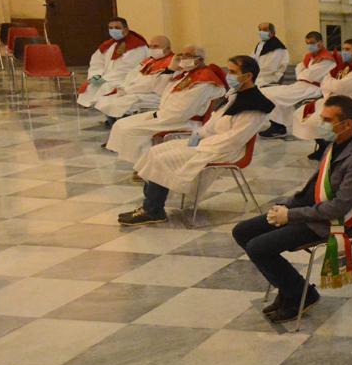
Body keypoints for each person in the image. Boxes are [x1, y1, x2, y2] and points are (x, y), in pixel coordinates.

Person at [231, 95, 352, 320]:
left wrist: (291, 215)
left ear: (347, 124)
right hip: (310, 211)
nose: (321, 124)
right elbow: (315, 187)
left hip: (328, 223)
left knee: (258, 247)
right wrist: (287, 205)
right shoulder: (335, 143)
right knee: (242, 231)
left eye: (327, 120)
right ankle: (293, 288)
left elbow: (337, 208)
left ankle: (299, 293)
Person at [118, 56, 274, 226]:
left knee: (162, 159)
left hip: (224, 150)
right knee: (154, 151)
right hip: (208, 142)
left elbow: (235, 139)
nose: (228, 75)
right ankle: (149, 206)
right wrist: (199, 134)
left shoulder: (256, 105)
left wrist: (202, 144)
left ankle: (153, 210)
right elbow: (214, 122)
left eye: (233, 72)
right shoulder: (235, 95)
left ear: (248, 76)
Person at [105, 46, 226, 162]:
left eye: (188, 56)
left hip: (184, 121)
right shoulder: (187, 75)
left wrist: (158, 116)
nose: (183, 59)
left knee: (131, 130)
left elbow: (183, 111)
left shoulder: (204, 81)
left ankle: (143, 164)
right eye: (181, 55)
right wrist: (170, 70)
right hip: (167, 115)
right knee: (121, 123)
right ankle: (143, 163)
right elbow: (160, 90)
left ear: (200, 59)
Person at [292, 39, 352, 160]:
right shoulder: (344, 66)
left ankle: (332, 149)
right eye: (343, 49)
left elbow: (341, 87)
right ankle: (323, 146)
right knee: (300, 113)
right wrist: (332, 86)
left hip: (351, 106)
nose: (343, 52)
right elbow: (325, 81)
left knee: (316, 121)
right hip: (335, 100)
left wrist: (332, 85)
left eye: (347, 49)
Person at [260, 32, 336, 138]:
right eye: (307, 43)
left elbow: (309, 75)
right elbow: (299, 70)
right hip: (302, 85)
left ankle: (279, 126)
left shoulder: (327, 59)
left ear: (320, 43)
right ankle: (278, 124)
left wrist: (303, 72)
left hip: (313, 88)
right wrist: (303, 72)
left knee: (276, 96)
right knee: (268, 92)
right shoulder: (311, 56)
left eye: (312, 43)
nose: (309, 45)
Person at [93, 35, 176, 121]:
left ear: (167, 49)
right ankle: (115, 122)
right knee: (107, 98)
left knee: (122, 103)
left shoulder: (171, 63)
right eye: (150, 46)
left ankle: (123, 123)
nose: (152, 49)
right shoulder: (150, 61)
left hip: (154, 94)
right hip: (136, 90)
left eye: (156, 46)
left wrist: (129, 90)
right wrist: (125, 87)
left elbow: (152, 85)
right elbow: (132, 75)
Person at [78, 17, 150, 110]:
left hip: (125, 78)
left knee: (106, 87)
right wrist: (96, 75)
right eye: (110, 28)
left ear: (126, 29)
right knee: (91, 86)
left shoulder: (136, 45)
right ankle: (98, 108)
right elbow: (97, 62)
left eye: (117, 27)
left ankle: (108, 111)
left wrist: (105, 78)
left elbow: (128, 68)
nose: (113, 30)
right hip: (107, 77)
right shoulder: (109, 44)